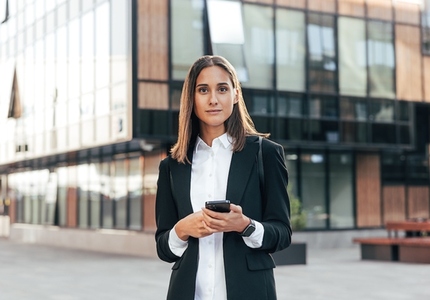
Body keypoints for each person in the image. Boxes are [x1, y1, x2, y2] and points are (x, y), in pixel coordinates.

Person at [155, 55, 292, 300]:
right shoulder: (172, 166)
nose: (213, 99)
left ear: (236, 94)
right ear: (192, 98)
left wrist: (245, 225)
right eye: (203, 90)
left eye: (222, 89)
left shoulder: (265, 154)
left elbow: (282, 233)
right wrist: (182, 229)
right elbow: (164, 248)